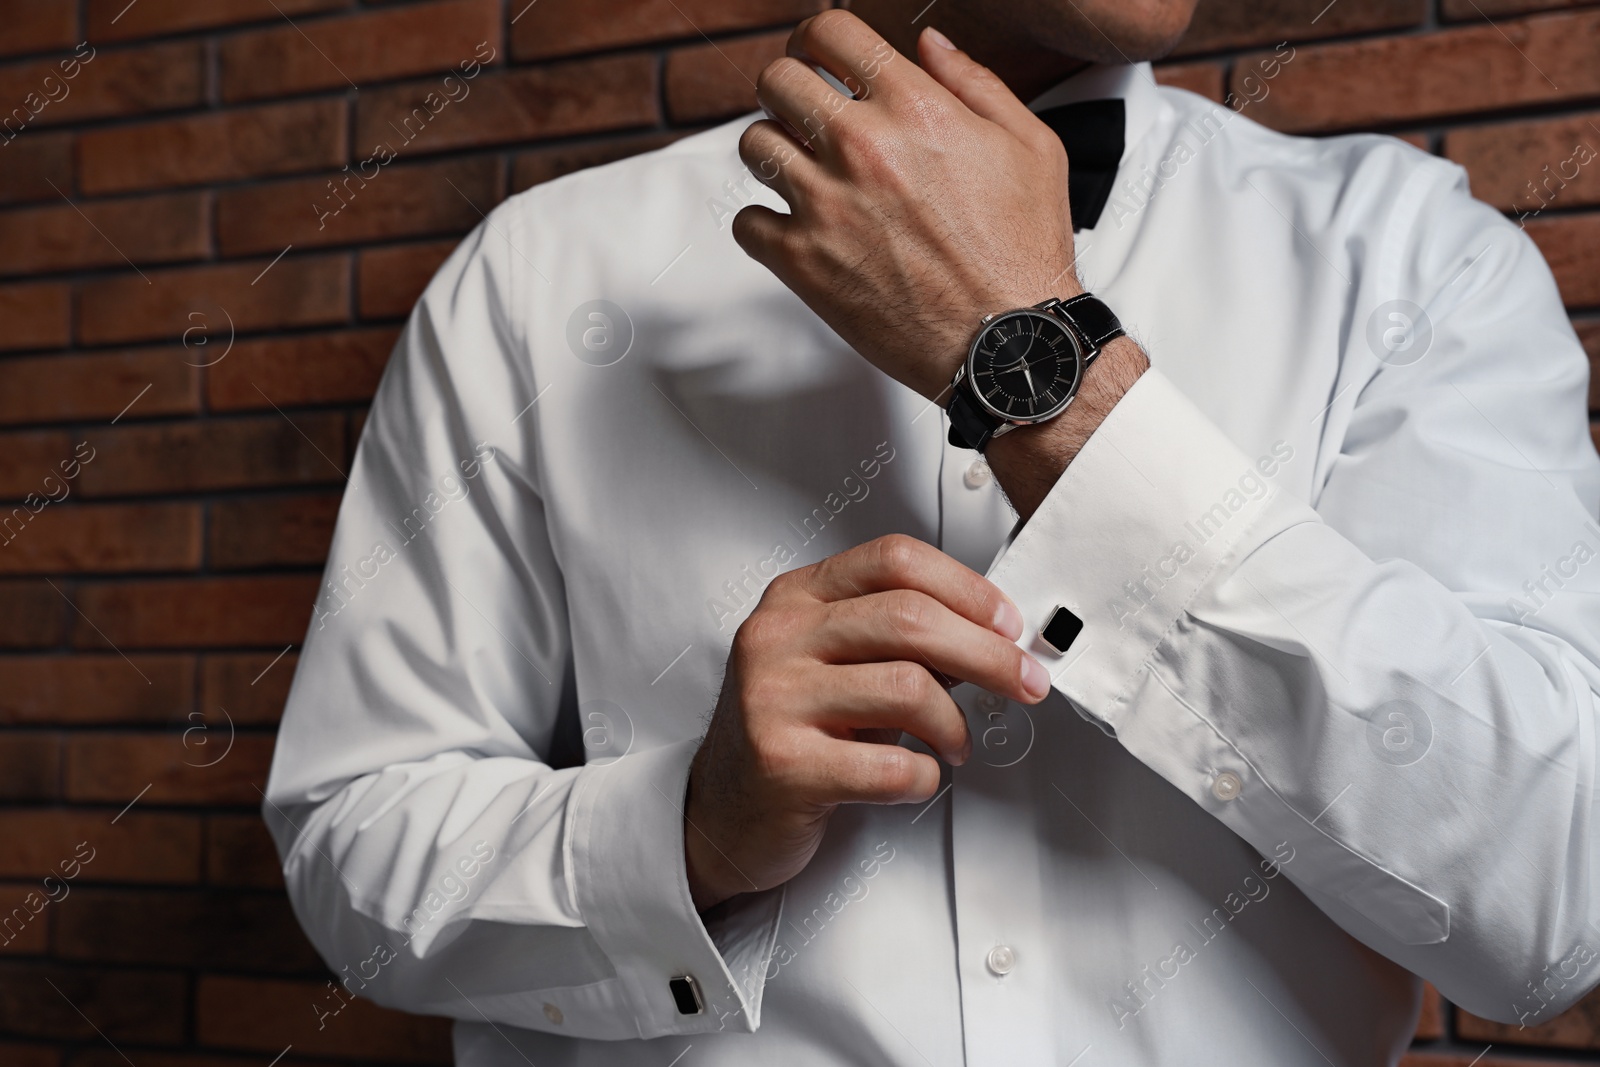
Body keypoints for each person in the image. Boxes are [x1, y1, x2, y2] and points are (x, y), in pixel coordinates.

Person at [263, 0, 1600, 1062]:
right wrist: (687, 833)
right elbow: (356, 854)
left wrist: (1036, 365)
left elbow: (1553, 908)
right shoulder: (539, 281)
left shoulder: (1417, 262)